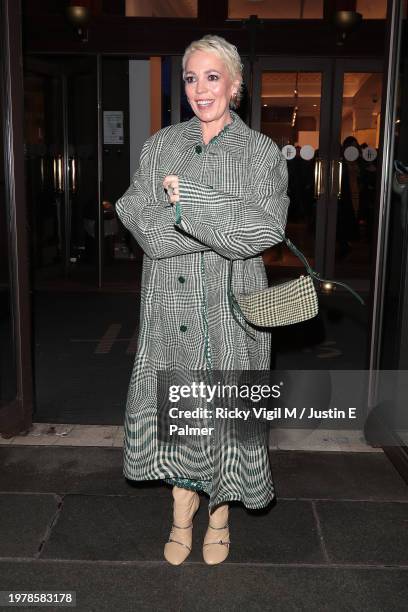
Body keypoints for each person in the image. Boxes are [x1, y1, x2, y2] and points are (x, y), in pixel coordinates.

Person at [115, 34, 290, 566]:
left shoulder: (261, 152)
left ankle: (220, 513)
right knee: (179, 408)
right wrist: (194, 221)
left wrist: (186, 202)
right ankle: (180, 509)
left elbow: (262, 231)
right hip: (170, 302)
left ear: (235, 85)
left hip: (234, 307)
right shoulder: (160, 146)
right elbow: (137, 219)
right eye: (191, 78)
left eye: (212, 77)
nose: (200, 89)